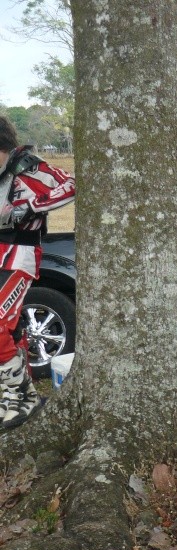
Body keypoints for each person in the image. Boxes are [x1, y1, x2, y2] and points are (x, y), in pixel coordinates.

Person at [0, 116, 75, 429]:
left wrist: (31, 206)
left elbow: (70, 186)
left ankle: (12, 396)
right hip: (2, 254)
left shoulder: (29, 165)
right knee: (11, 328)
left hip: (22, 254)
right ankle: (25, 396)